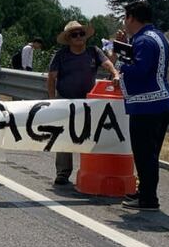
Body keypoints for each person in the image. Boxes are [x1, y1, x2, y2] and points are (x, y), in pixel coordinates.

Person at [118, 1, 169, 211]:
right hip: (162, 101)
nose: (125, 22)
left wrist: (119, 65)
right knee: (150, 153)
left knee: (144, 155)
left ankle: (148, 198)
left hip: (148, 104)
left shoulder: (143, 41)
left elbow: (138, 70)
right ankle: (145, 193)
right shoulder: (158, 37)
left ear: (132, 17)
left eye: (125, 18)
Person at [47, 21, 120, 186]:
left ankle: (92, 170)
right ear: (69, 38)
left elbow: (108, 64)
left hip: (89, 102)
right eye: (74, 35)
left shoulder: (93, 52)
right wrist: (52, 101)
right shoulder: (61, 55)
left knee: (89, 135)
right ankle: (63, 173)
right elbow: (51, 78)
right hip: (65, 100)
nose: (79, 37)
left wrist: (115, 73)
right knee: (64, 137)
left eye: (81, 33)